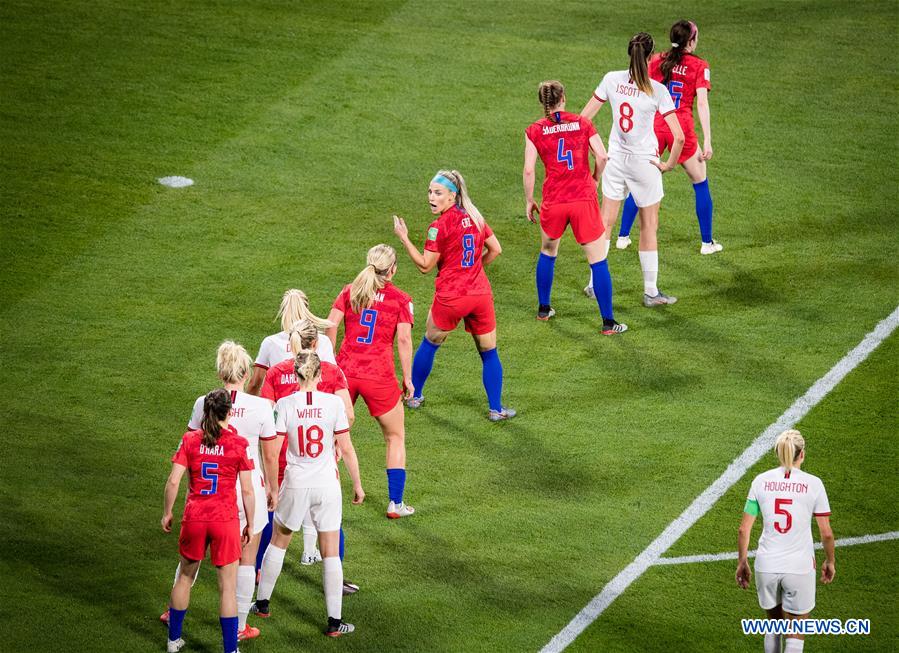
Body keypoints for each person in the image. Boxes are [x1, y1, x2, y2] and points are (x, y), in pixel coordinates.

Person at [160, 342, 279, 642]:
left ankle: (173, 616)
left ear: (220, 370)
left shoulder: (204, 402)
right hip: (245, 490)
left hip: (205, 496)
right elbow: (269, 456)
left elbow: (188, 443)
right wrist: (274, 488)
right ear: (247, 371)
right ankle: (238, 627)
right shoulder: (262, 406)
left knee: (189, 562)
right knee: (245, 560)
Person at [253, 352, 363, 637]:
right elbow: (347, 448)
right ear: (319, 375)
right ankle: (334, 623)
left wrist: (271, 487)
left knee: (279, 542)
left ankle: (262, 604)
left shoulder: (285, 404)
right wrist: (358, 485)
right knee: (330, 553)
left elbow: (273, 450)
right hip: (327, 483)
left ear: (296, 374)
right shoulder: (334, 404)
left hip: (296, 482)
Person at [393, 170, 516, 421]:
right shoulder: (476, 217)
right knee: (489, 353)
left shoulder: (438, 227)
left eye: (437, 193)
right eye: (429, 192)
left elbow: (425, 266)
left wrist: (404, 239)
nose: (431, 197)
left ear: (452, 196)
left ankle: (414, 396)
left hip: (451, 296)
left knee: (430, 343)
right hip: (480, 294)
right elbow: (496, 249)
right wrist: (475, 268)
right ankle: (496, 409)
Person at [580, 32, 685, 307]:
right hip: (644, 164)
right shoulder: (657, 90)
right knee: (648, 225)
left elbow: (582, 121)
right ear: (651, 57)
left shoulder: (611, 79)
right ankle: (651, 292)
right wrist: (669, 164)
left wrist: (597, 152)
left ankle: (593, 283)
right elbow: (680, 137)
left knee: (605, 222)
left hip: (615, 160)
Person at [260, 319, 360, 593]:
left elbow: (267, 420)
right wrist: (336, 442)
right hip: (320, 460)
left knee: (274, 522)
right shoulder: (330, 371)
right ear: (316, 343)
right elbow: (348, 414)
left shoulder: (276, 372)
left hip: (282, 456)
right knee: (330, 525)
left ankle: (257, 577)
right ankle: (335, 587)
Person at [523, 80, 627, 335]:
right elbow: (602, 156)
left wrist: (529, 200)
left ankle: (544, 309)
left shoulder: (534, 130)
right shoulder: (582, 122)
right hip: (582, 199)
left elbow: (528, 169)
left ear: (543, 103)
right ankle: (608, 323)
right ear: (563, 99)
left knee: (548, 252)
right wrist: (595, 176)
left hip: (554, 200)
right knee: (597, 260)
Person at [614, 20, 722, 255]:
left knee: (641, 180)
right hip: (680, 129)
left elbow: (638, 84)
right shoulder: (700, 65)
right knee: (700, 182)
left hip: (655, 126)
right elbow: (702, 103)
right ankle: (707, 243)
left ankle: (622, 236)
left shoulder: (657, 59)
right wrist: (707, 140)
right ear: (691, 40)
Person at [161, 389, 256, 653]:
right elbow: (247, 490)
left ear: (206, 412)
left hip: (195, 517)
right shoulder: (238, 444)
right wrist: (249, 522)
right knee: (227, 588)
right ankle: (229, 650)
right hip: (224, 520)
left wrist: (167, 512)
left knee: (184, 579)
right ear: (230, 412)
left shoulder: (190, 440)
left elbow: (173, 481)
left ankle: (172, 641)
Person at [326, 244, 417, 518]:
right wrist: (408, 379)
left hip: (345, 372)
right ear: (393, 270)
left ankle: (322, 494)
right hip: (379, 376)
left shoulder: (349, 290)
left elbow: (330, 326)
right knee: (394, 437)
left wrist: (330, 365)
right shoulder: (401, 299)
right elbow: (403, 339)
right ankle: (395, 504)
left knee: (330, 433)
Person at [247, 288, 334, 571]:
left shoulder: (271, 344)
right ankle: (330, 569)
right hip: (315, 432)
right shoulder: (322, 347)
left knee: (272, 500)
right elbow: (332, 386)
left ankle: (257, 572)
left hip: (280, 436)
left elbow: (254, 388)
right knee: (326, 506)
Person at [736, 429, 835, 653]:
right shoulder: (814, 484)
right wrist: (830, 561)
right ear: (802, 455)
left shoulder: (760, 481)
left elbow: (744, 529)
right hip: (799, 567)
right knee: (796, 632)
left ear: (778, 453)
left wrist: (743, 562)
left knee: (773, 625)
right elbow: (826, 533)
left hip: (767, 565)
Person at [247, 288, 336, 396]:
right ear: (307, 309)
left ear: (283, 311)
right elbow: (333, 378)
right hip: (318, 407)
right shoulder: (322, 340)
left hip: (283, 408)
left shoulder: (270, 342)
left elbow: (255, 384)